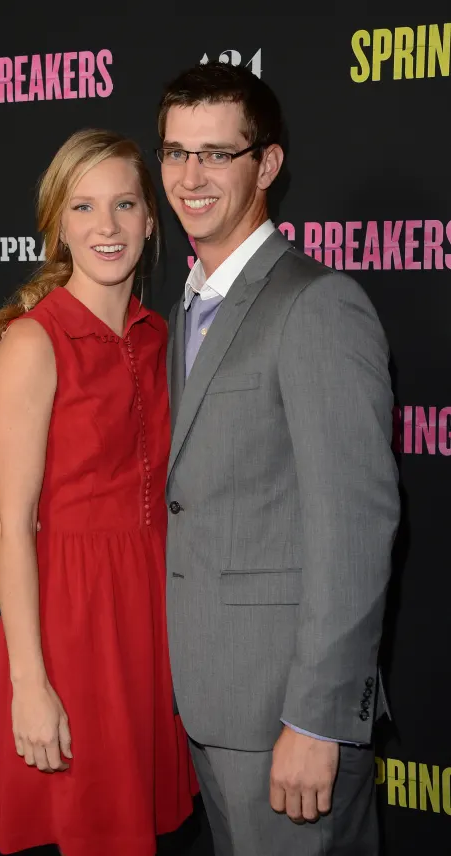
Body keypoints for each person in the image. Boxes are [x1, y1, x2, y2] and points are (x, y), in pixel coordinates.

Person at [157, 60, 400, 856]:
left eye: (217, 153)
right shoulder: (186, 307)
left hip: (284, 719)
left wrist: (316, 717)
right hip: (210, 706)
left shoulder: (316, 305)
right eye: (175, 152)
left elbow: (354, 529)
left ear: (266, 165)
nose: (191, 177)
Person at [0, 129, 196, 856]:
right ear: (58, 226)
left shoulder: (164, 337)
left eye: (125, 204)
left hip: (152, 617)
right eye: (84, 207)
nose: (107, 227)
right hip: (70, 627)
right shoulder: (32, 345)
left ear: (150, 220)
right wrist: (29, 686)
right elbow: (10, 530)